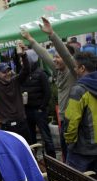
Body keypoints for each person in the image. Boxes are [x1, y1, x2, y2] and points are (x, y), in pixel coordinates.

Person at [21, 17, 78, 159]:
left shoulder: (73, 70)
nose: (54, 59)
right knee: (66, 154)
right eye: (55, 57)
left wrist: (52, 34)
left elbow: (64, 53)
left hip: (74, 120)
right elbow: (45, 55)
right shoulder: (58, 71)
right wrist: (31, 40)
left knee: (73, 155)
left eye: (58, 57)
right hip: (64, 119)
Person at [0, 42, 32, 144]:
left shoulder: (15, 81)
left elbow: (26, 70)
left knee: (27, 147)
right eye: (4, 72)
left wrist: (23, 55)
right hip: (7, 125)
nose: (7, 74)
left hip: (22, 123)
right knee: (11, 150)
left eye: (8, 71)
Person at [64, 52, 97, 172]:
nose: (74, 69)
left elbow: (71, 121)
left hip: (82, 150)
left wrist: (70, 142)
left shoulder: (79, 90)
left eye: (75, 67)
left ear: (82, 68)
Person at [21, 49, 56, 157]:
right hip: (28, 110)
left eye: (25, 59)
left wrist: (42, 107)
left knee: (46, 136)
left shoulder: (41, 73)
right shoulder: (24, 73)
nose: (23, 62)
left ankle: (52, 158)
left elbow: (47, 92)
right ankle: (34, 157)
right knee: (31, 136)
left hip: (38, 110)